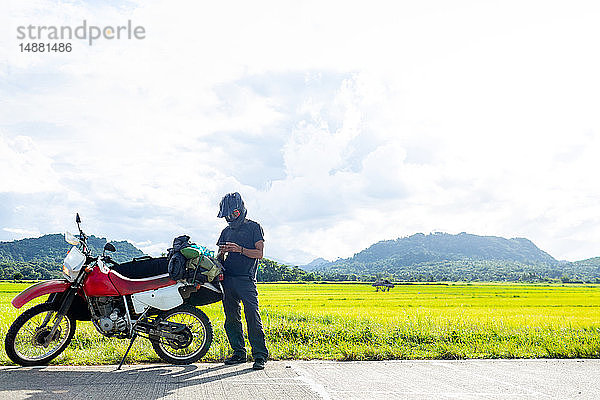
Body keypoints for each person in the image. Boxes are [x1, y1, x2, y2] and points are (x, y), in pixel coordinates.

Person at [216, 192, 268, 370]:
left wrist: (239, 249)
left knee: (252, 315)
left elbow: (259, 254)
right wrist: (222, 253)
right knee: (231, 318)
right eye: (227, 215)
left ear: (241, 210)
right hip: (228, 279)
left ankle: (260, 355)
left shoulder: (254, 227)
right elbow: (219, 259)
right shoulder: (225, 232)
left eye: (233, 214)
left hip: (246, 280)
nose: (230, 218)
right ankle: (239, 353)